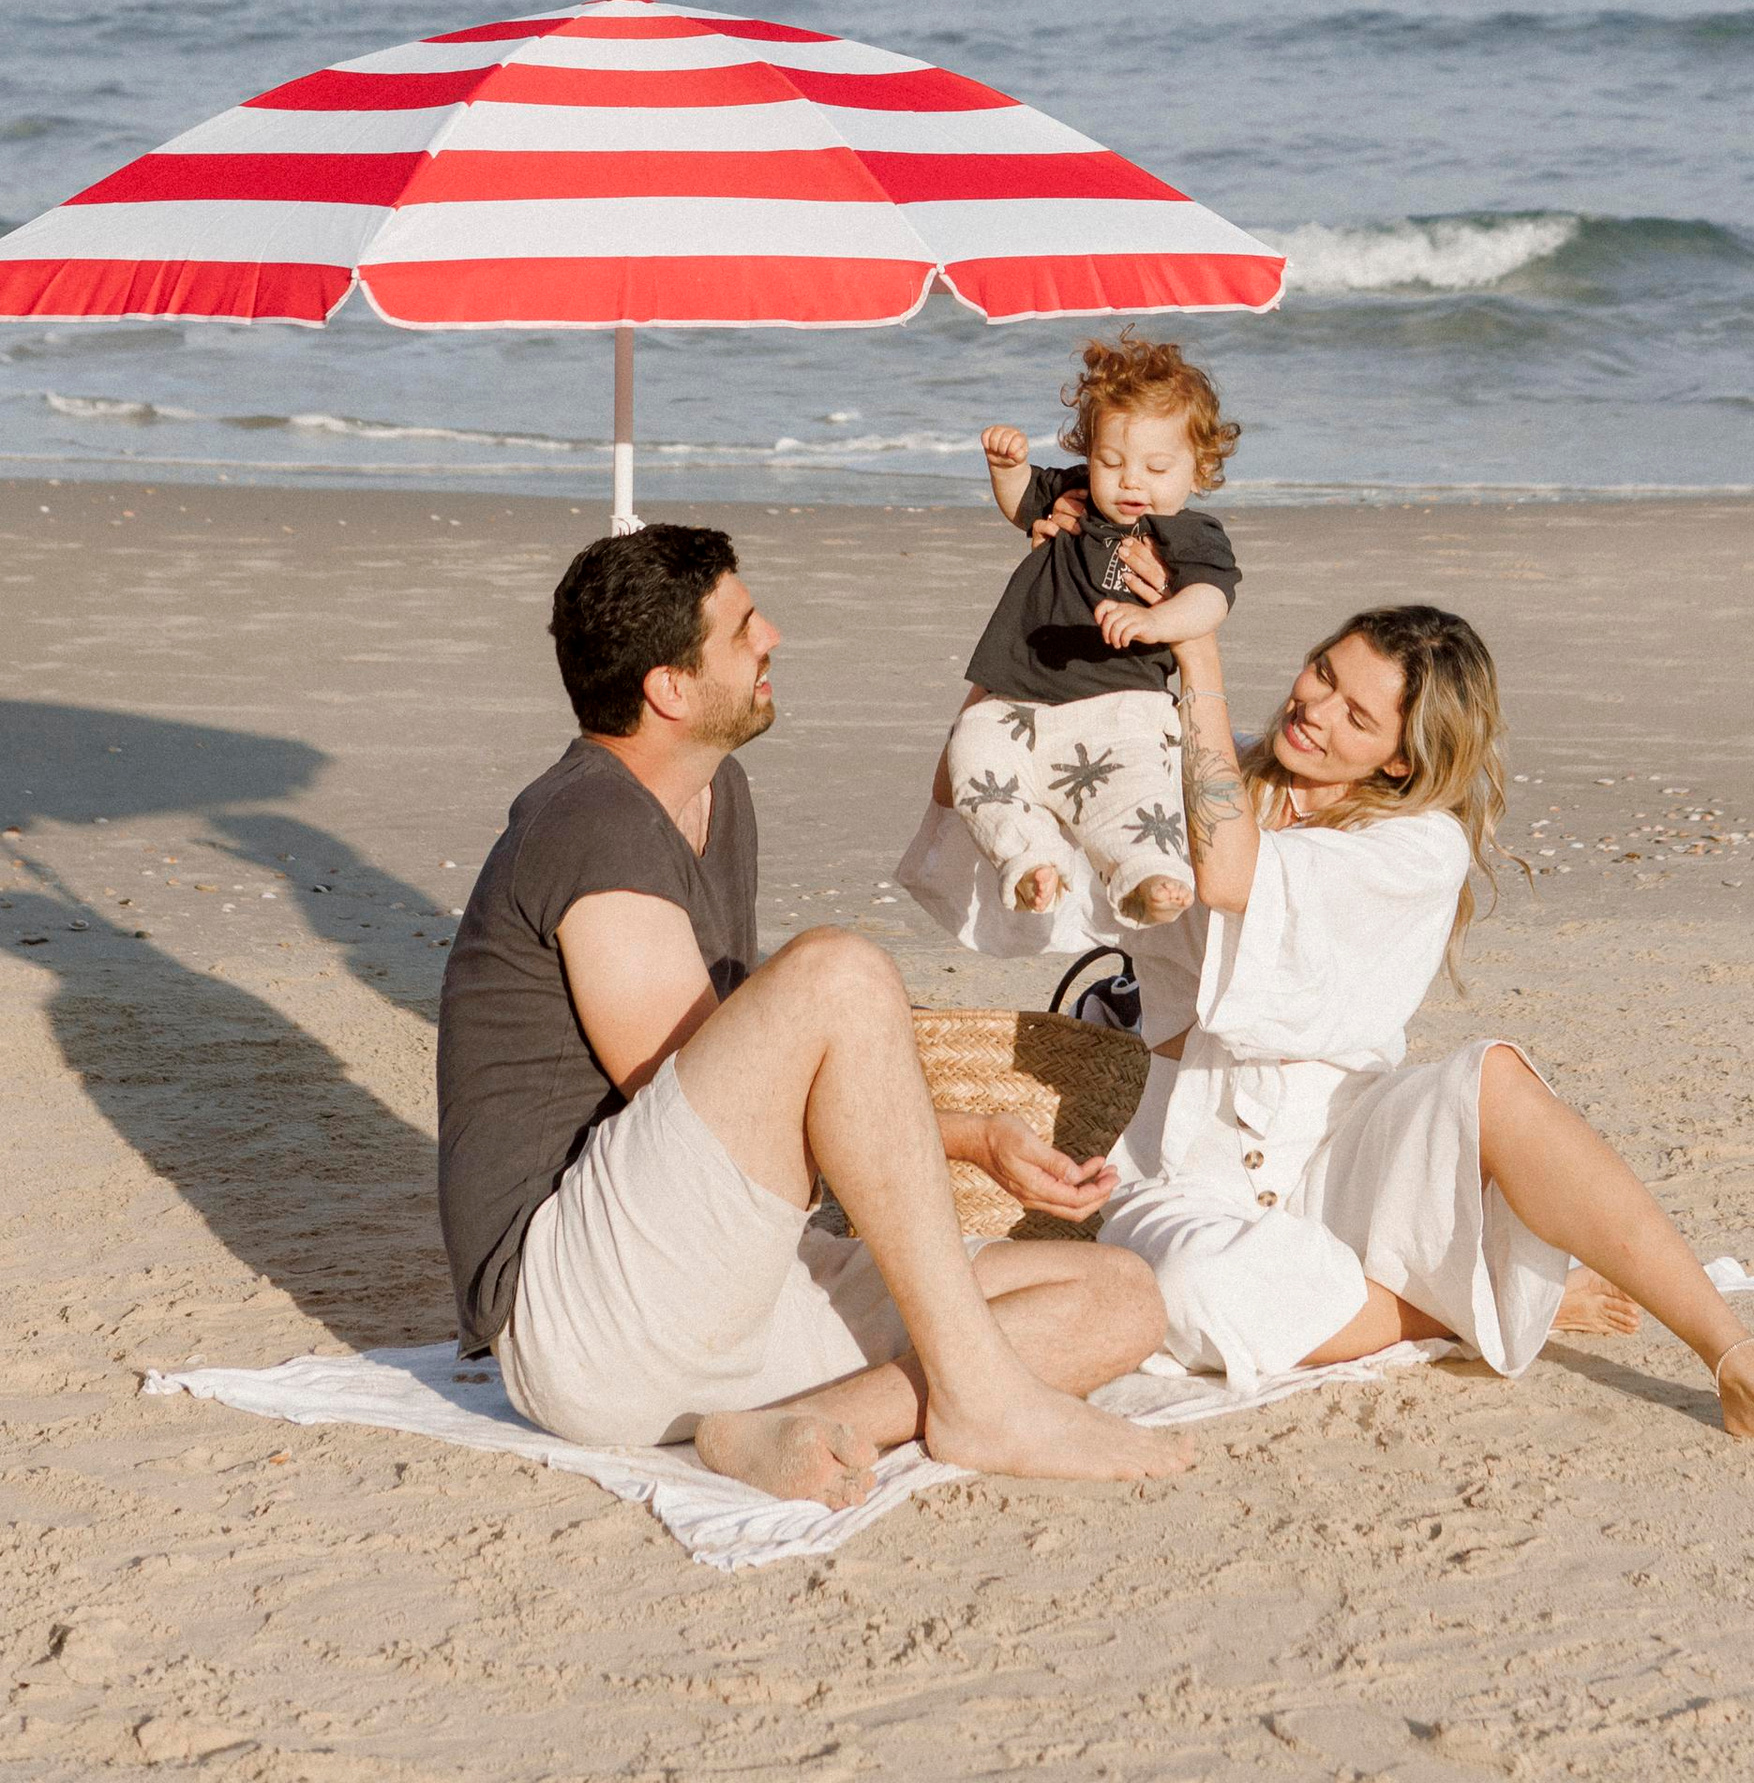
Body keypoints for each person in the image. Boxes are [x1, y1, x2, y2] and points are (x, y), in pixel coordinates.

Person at [434, 521, 1188, 1510]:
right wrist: (950, 1141)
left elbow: (748, 1118)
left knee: (1120, 1297)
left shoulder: (718, 792)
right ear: (667, 688)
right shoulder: (590, 827)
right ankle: (980, 1397)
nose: (773, 637)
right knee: (836, 972)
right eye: (743, 627)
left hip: (717, 1288)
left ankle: (792, 1423)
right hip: (589, 1314)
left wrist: (977, 1142)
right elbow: (688, 1100)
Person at [1093, 586, 1754, 1471]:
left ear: (1400, 763)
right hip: (1186, 1161)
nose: (1312, 709)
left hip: (1341, 1146)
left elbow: (1228, 873)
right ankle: (1490, 1305)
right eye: (1322, 674)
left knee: (1495, 1078)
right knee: (1183, 1287)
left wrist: (1198, 660)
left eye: (1355, 715)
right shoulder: (1223, 763)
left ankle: (1744, 1361)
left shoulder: (1416, 844)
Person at [935, 335, 1242, 928]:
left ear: (1198, 470)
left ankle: (1148, 875)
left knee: (1133, 794)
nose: (1131, 482)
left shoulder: (1187, 532)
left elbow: (1209, 600)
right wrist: (1008, 469)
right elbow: (1022, 501)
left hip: (1121, 702)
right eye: (1111, 461)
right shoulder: (1074, 496)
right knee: (973, 754)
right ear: (1088, 451)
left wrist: (1157, 619)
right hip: (1018, 699)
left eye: (1157, 468)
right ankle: (1029, 859)